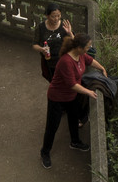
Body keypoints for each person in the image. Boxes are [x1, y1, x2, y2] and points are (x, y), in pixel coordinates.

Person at [40, 33, 98, 167]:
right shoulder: (66, 61)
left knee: (73, 119)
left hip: (71, 96)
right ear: (78, 47)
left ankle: (75, 141)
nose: (89, 49)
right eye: (87, 47)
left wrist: (102, 68)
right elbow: (72, 84)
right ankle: (45, 152)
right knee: (52, 126)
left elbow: (90, 60)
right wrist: (89, 92)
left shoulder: (80, 55)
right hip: (57, 97)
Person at [32, 4, 72, 83]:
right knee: (53, 80)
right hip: (49, 61)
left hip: (63, 60)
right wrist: (42, 49)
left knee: (66, 80)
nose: (56, 19)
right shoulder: (41, 27)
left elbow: (75, 42)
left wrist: (70, 33)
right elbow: (34, 44)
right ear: (47, 15)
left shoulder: (64, 25)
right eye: (53, 16)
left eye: (58, 15)